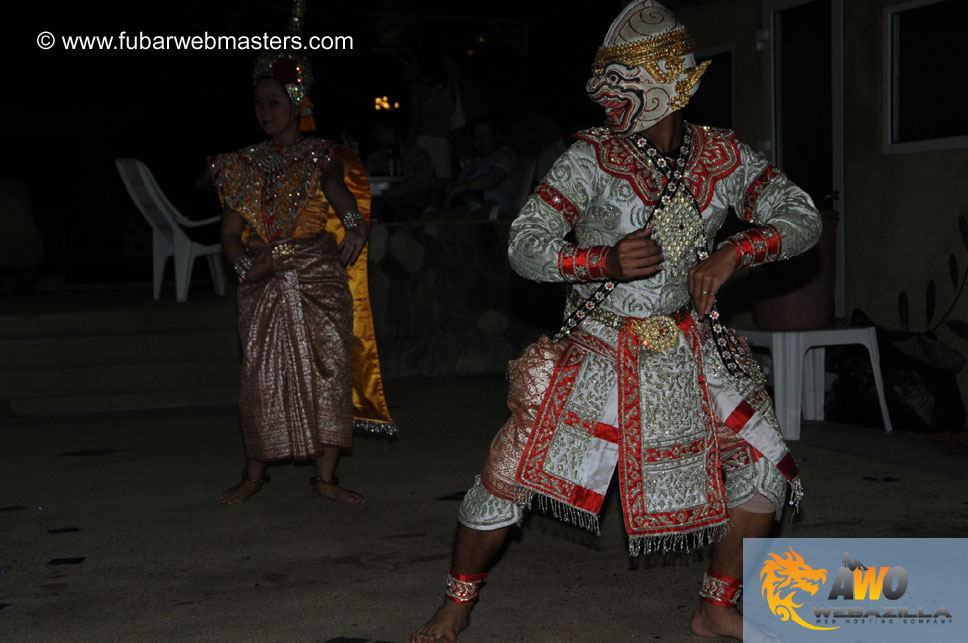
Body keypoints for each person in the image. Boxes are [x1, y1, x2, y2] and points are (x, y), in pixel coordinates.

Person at [411, 2, 820, 641]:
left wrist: (736, 251)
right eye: (607, 82)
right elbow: (524, 242)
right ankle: (458, 601)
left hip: (692, 347)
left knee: (765, 469)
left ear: (665, 79)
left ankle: (715, 606)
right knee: (508, 474)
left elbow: (801, 213)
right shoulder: (591, 160)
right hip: (601, 349)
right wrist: (597, 259)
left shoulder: (724, 156)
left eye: (623, 82)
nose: (607, 98)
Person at [209, 3, 395, 506]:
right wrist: (244, 264)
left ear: (296, 103)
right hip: (264, 278)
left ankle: (325, 481)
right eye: (258, 104)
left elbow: (336, 190)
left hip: (315, 275)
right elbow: (229, 232)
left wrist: (353, 222)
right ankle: (253, 475)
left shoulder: (319, 155)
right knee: (259, 377)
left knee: (328, 371)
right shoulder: (240, 165)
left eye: (273, 102)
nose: (264, 112)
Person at [445, 121, 519, 218]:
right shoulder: (470, 165)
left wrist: (462, 187)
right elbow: (454, 190)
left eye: (486, 136)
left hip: (495, 211)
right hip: (468, 208)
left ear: (496, 136)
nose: (481, 141)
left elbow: (493, 178)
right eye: (477, 137)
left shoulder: (504, 156)